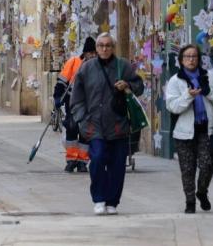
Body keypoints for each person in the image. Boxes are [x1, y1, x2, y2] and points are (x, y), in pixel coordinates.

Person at [70, 32, 144, 216]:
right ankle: (99, 198)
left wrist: (127, 85)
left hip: (118, 123)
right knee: (97, 159)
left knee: (117, 165)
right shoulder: (86, 68)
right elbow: (76, 97)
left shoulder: (123, 66)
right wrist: (82, 118)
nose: (104, 49)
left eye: (108, 45)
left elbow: (139, 86)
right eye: (101, 45)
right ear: (96, 48)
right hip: (94, 124)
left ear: (113, 47)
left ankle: (112, 202)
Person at [165, 44, 213, 214]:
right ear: (181, 60)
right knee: (187, 168)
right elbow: (173, 107)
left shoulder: (210, 77)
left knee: (207, 165)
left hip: (206, 129)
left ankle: (202, 192)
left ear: (199, 59)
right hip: (183, 132)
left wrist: (208, 92)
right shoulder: (175, 81)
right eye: (187, 57)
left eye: (194, 57)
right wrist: (188, 96)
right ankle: (190, 201)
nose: (191, 60)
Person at [53, 37, 96, 173]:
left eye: (94, 53)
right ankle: (71, 159)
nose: (93, 55)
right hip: (72, 101)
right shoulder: (74, 62)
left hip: (90, 103)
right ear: (85, 52)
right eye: (90, 53)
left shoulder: (98, 65)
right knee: (71, 128)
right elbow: (62, 81)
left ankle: (83, 161)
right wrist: (57, 97)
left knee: (86, 131)